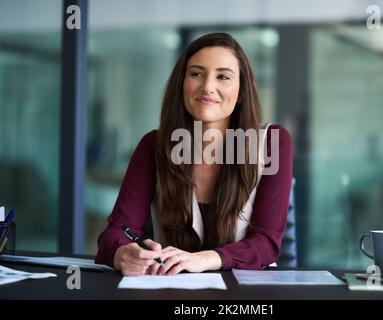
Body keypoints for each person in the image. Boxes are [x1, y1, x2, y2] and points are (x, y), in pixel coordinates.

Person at [95, 32, 293, 276]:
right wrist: (122, 253)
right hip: (170, 288)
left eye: (223, 76)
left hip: (246, 293)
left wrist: (207, 259)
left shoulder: (272, 143)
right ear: (182, 84)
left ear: (241, 91)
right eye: (196, 74)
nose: (208, 86)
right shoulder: (153, 146)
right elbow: (114, 233)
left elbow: (267, 244)